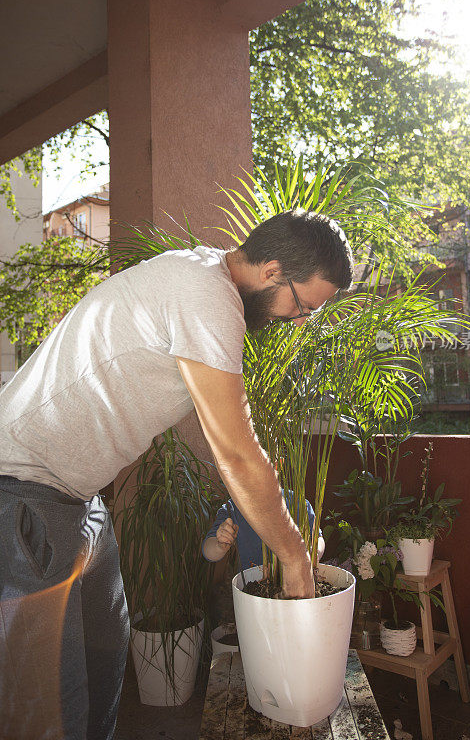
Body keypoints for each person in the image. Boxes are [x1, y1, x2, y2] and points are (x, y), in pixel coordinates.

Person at [0, 208, 353, 739]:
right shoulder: (204, 293)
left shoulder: (204, 280)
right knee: (50, 710)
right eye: (303, 305)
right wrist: (294, 557)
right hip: (22, 495)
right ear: (274, 271)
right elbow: (235, 451)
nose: (299, 320)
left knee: (102, 671)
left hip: (79, 501)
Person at [202, 491, 326, 570]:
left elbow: (318, 538)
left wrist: (313, 554)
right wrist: (220, 545)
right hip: (256, 588)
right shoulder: (233, 508)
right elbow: (208, 552)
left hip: (297, 585)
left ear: (278, 464)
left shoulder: (298, 503)